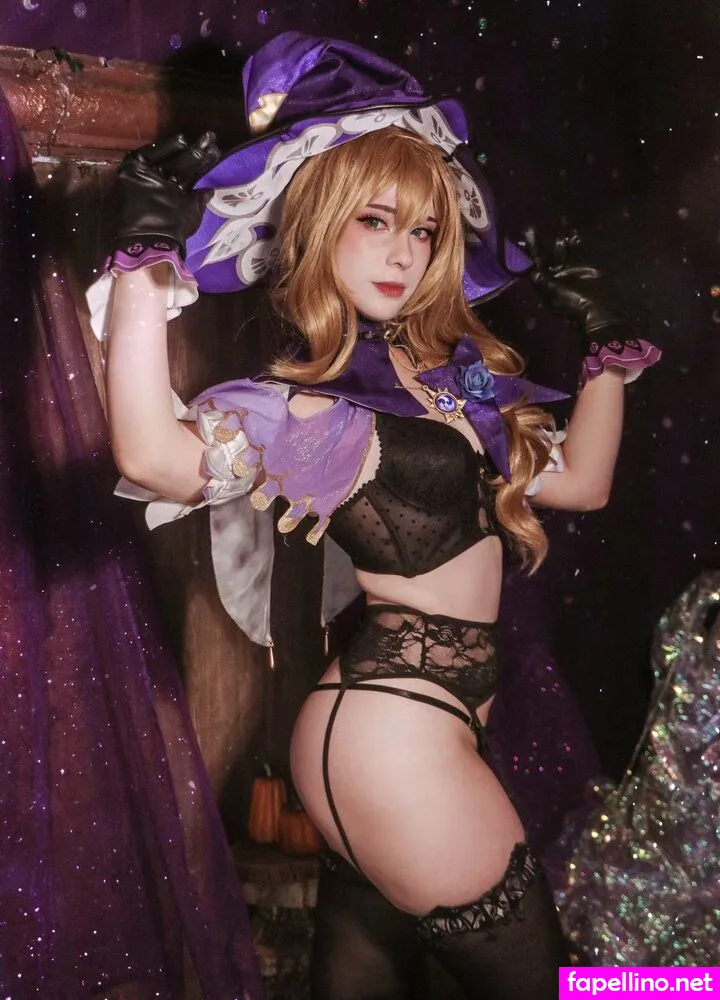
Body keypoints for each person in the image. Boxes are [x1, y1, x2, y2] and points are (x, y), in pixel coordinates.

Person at [90, 31, 661, 1000]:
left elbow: (581, 482)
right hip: (394, 744)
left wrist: (603, 346)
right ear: (320, 224)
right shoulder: (312, 406)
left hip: (399, 737)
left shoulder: (450, 376)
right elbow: (151, 456)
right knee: (563, 985)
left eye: (424, 230)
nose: (403, 251)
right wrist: (146, 262)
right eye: (375, 220)